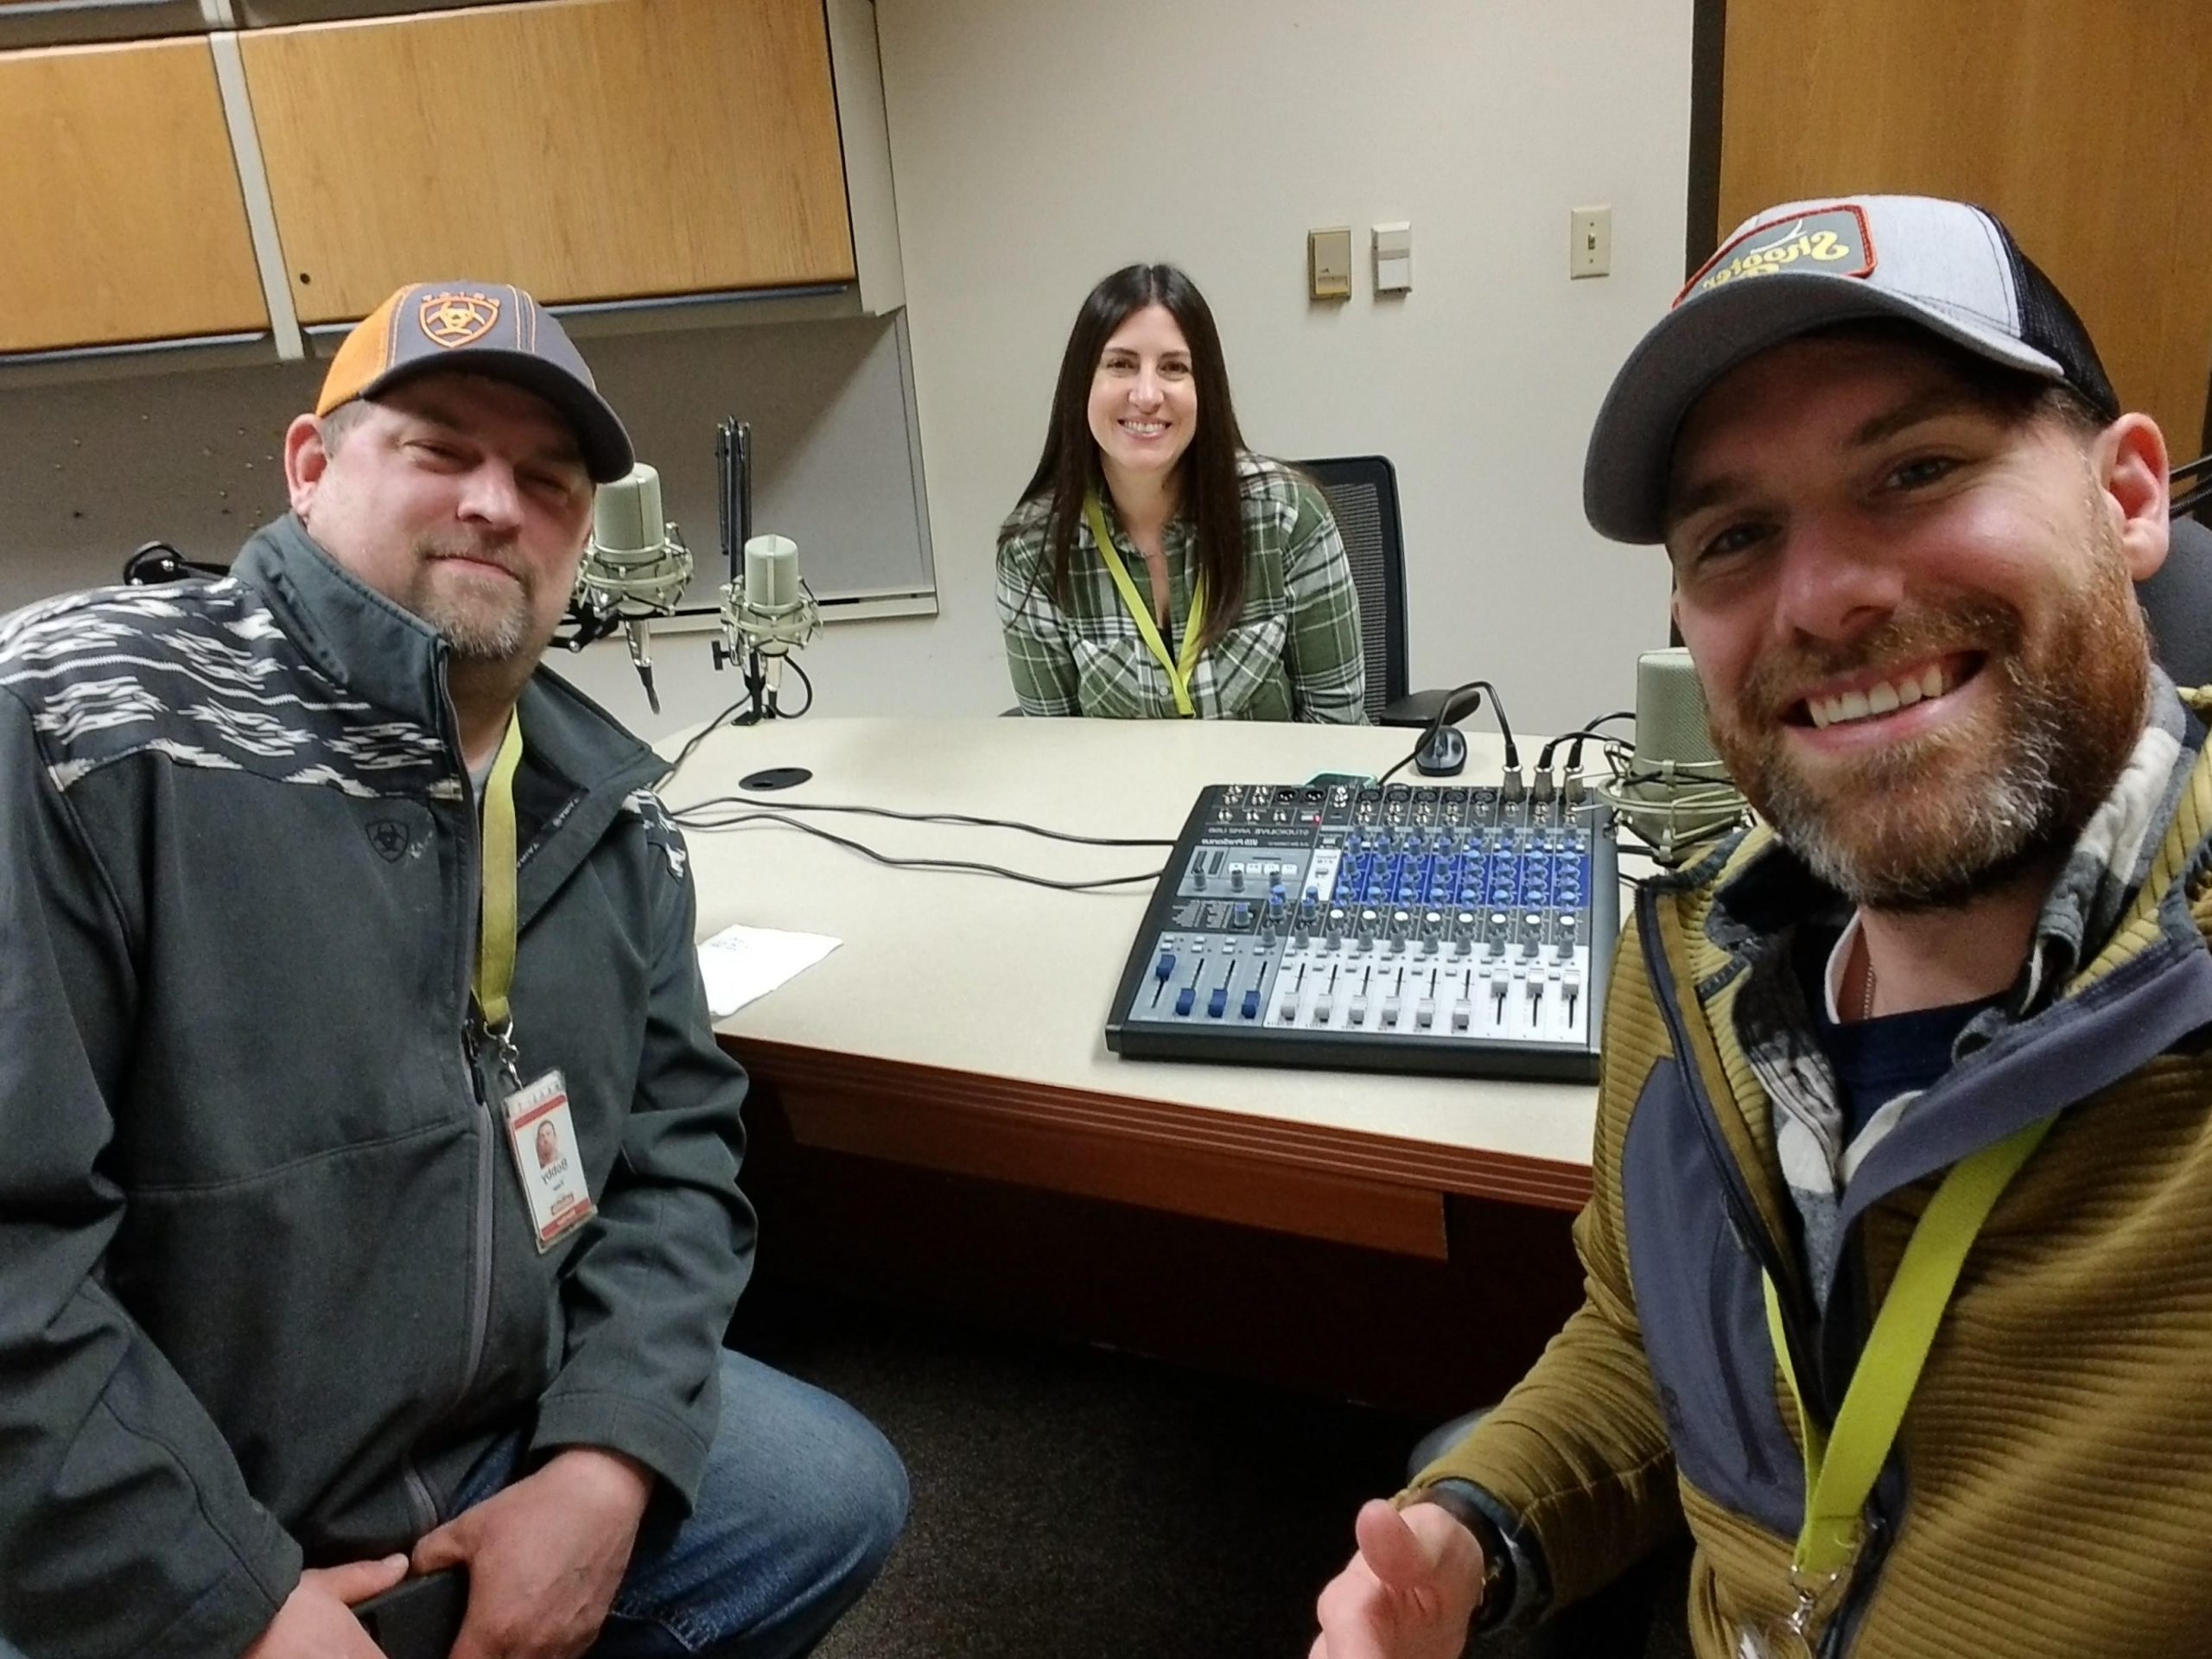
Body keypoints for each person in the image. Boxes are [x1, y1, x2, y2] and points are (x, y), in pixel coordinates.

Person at [1314, 194, 2212, 1657]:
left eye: (1916, 470)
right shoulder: (1691, 961)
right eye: (1736, 535)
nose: (1826, 597)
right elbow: (1648, 1342)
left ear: (2128, 498)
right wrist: (1474, 1530)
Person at [0, 282, 907, 1659]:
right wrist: (228, 1606)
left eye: (548, 481)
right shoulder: (79, 724)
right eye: (439, 449)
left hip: (484, 1432)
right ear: (310, 468)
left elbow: (676, 1158)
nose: (496, 503)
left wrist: (604, 1462)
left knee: (827, 1495)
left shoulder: (610, 807)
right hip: (180, 1475)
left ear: (584, 534)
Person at [997, 263, 1367, 721]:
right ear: (1082, 384)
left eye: (1174, 367)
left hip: (1277, 773)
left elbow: (1337, 734)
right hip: (1116, 776)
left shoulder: (1287, 518)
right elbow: (1055, 748)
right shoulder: (1033, 552)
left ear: (1204, 389)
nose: (1147, 395)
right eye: (1121, 364)